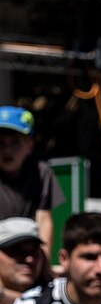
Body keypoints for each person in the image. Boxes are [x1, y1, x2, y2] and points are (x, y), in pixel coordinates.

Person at [0, 105, 58, 252]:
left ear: (29, 145)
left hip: (27, 249)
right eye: (0, 143)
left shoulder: (41, 172)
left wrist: (43, 262)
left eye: (15, 143)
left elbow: (44, 220)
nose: (7, 150)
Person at [0, 217, 51, 304]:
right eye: (16, 251)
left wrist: (3, 295)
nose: (29, 259)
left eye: (34, 251)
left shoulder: (56, 294)